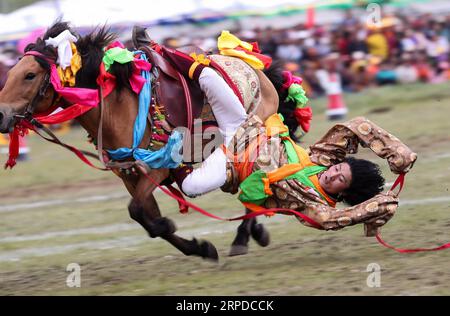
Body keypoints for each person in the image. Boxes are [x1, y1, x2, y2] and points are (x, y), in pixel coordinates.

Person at [159, 41, 417, 235]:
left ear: (343, 194)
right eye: (339, 168)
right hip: (245, 128)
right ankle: (157, 53)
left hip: (230, 164)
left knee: (192, 187)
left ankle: (167, 155)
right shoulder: (322, 158)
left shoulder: (313, 203)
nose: (334, 173)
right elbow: (356, 126)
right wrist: (396, 152)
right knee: (208, 77)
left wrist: (378, 205)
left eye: (340, 180)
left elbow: (329, 221)